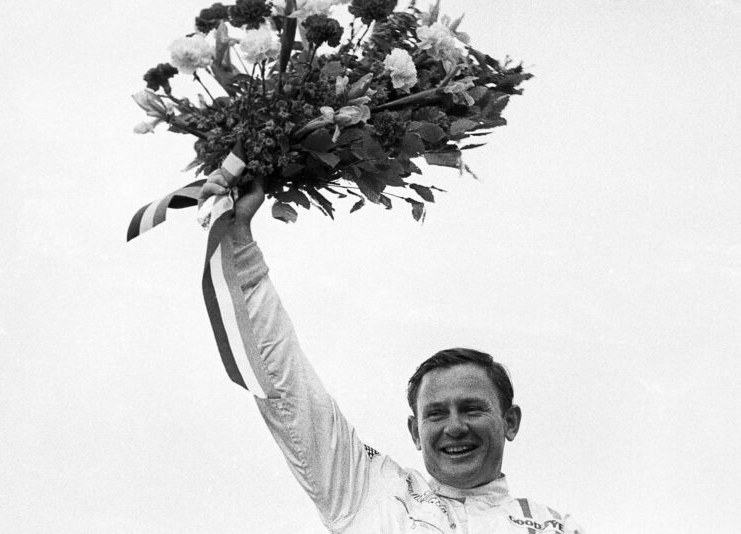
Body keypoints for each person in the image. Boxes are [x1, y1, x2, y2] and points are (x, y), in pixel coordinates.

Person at [199, 175, 584, 533]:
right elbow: (289, 390)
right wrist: (238, 242)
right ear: (415, 431)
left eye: (472, 408)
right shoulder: (371, 493)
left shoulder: (557, 528)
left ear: (510, 422)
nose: (454, 427)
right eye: (435, 413)